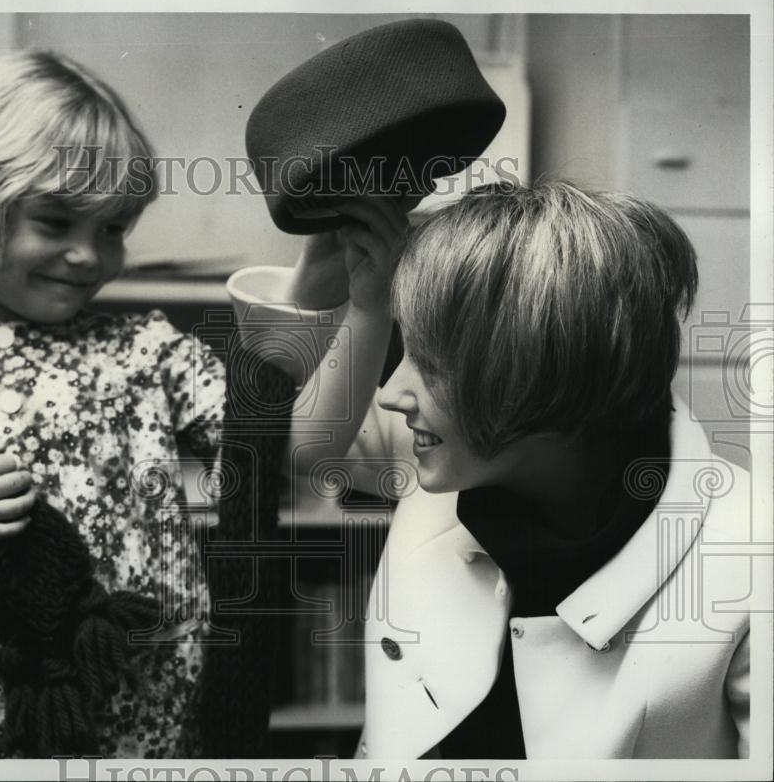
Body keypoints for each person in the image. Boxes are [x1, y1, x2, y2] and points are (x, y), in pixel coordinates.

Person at [0, 50, 409, 758]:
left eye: (112, 229)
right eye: (56, 223)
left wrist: (368, 306)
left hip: (141, 738)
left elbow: (299, 450)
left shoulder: (148, 350)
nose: (89, 256)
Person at [241, 181, 751, 759]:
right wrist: (356, 301)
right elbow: (306, 453)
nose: (391, 394)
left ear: (545, 375)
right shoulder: (455, 452)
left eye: (432, 366)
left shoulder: (749, 551)